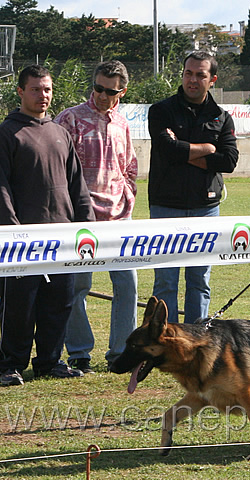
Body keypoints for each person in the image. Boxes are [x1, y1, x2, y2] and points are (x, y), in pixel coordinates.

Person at [0, 65, 95, 386]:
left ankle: (49, 362)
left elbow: (76, 185)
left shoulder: (60, 133)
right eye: (36, 89)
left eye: (48, 90)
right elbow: (1, 187)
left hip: (63, 238)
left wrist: (87, 226)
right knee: (19, 308)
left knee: (59, 303)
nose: (44, 96)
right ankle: (10, 364)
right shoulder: (7, 133)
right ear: (21, 92)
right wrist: (12, 230)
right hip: (22, 241)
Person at [55, 60, 138, 373]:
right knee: (77, 287)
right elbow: (58, 169)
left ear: (122, 91)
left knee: (127, 286)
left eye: (111, 91)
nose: (103, 95)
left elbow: (130, 164)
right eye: (99, 88)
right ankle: (79, 353)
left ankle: (121, 354)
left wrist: (128, 197)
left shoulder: (123, 123)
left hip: (119, 219)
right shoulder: (70, 119)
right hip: (81, 220)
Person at [147, 51, 239, 323]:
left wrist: (185, 152)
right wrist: (207, 150)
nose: (193, 79)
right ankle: (165, 341)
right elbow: (167, 151)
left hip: (206, 208)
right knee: (165, 282)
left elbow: (229, 161)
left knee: (199, 280)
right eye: (189, 73)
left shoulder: (221, 117)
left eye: (200, 74)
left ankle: (197, 341)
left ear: (213, 80)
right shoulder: (161, 110)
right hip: (165, 205)